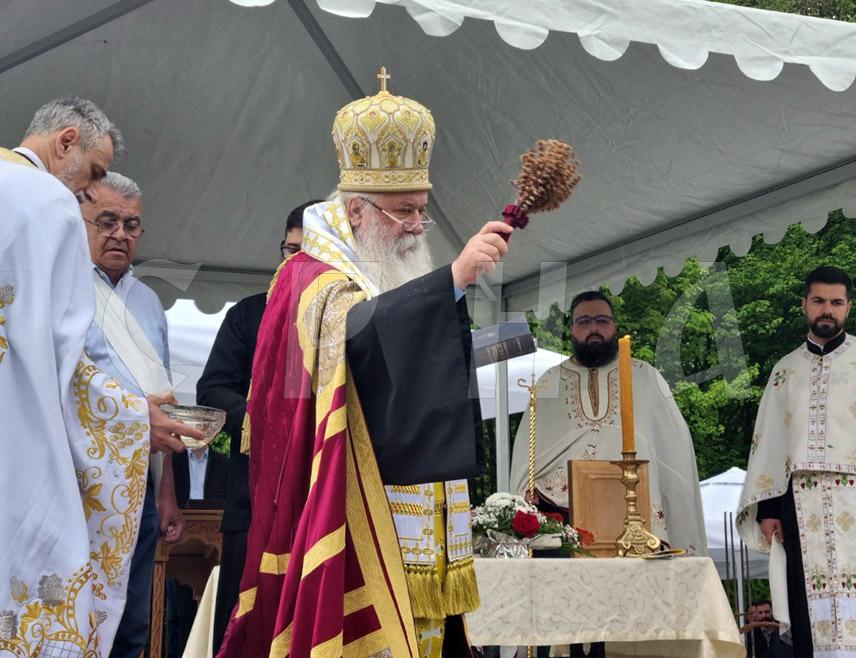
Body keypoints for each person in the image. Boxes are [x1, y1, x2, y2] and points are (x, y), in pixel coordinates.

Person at [217, 70, 508, 658]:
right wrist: (450, 279)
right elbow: (356, 342)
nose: (416, 227)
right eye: (403, 213)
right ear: (356, 210)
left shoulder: (379, 265)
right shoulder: (310, 277)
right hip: (352, 503)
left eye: (422, 211)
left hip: (415, 495)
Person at [0, 97, 196, 656]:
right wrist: (137, 417)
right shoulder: (48, 202)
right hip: (36, 453)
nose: (84, 188)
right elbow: (59, 359)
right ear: (65, 143)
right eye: (91, 175)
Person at [198, 198, 320, 654]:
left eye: (311, 252)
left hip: (322, 499)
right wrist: (266, 419)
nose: (299, 263)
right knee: (244, 623)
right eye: (291, 251)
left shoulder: (349, 316)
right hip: (253, 498)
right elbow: (212, 389)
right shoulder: (249, 315)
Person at [79, 171, 191, 658]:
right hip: (77, 478)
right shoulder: (62, 288)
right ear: (82, 221)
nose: (120, 234)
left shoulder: (149, 303)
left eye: (132, 224)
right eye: (107, 221)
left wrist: (166, 496)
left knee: (132, 620)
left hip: (139, 486)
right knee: (78, 611)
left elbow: (160, 405)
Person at [509, 290, 708, 554]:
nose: (593, 328)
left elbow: (673, 450)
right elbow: (528, 456)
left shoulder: (645, 376)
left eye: (602, 320)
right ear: (572, 330)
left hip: (636, 511)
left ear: (614, 326)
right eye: (584, 322)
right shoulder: (549, 382)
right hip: (564, 517)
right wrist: (526, 492)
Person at [738, 265, 856, 656]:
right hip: (798, 508)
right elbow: (770, 445)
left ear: (848, 307)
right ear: (805, 304)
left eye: (836, 302)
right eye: (819, 300)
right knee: (806, 608)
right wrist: (770, 509)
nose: (828, 309)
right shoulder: (784, 371)